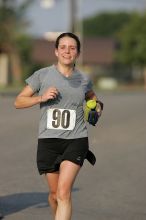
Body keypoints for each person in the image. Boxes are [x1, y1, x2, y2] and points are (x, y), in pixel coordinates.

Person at [14, 32, 103, 220]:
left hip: (76, 140)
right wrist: (41, 97)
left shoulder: (84, 79)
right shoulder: (42, 75)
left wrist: (97, 107)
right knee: (54, 195)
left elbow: (92, 97)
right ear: (56, 51)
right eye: (63, 47)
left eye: (72, 47)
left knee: (64, 193)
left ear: (77, 53)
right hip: (49, 141)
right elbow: (19, 101)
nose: (67, 51)